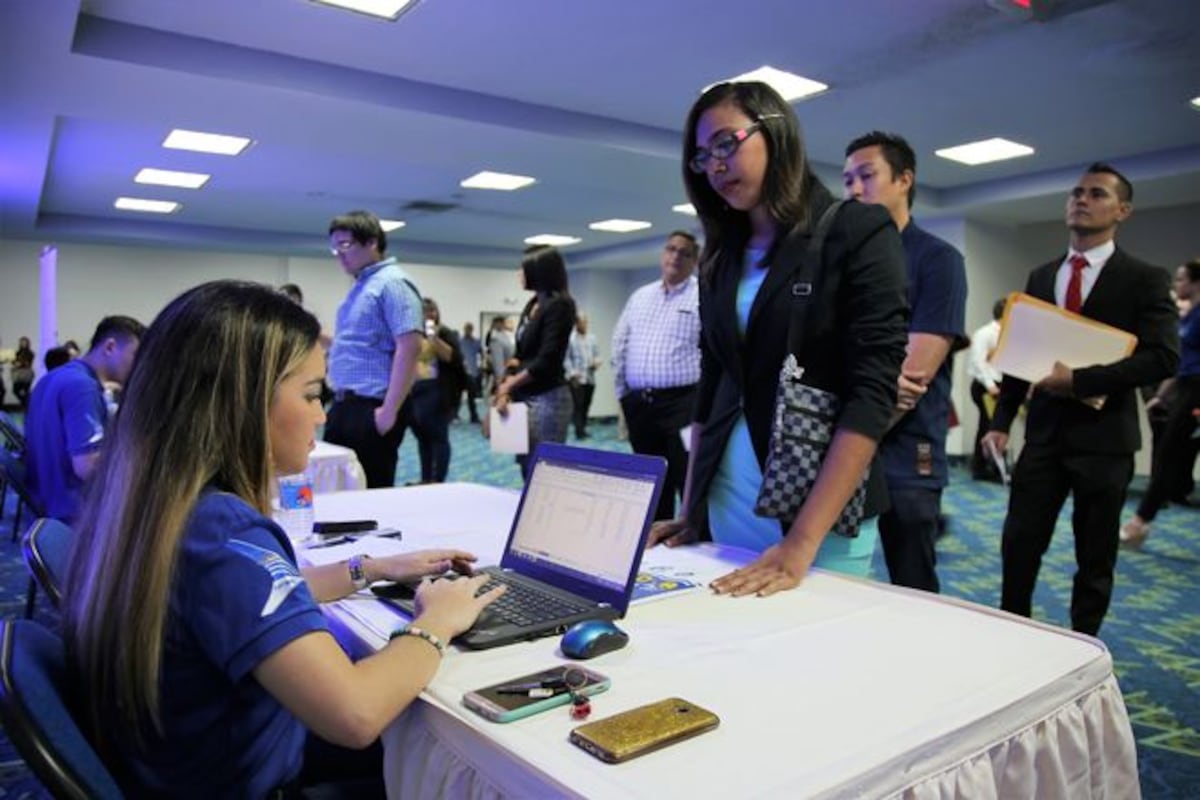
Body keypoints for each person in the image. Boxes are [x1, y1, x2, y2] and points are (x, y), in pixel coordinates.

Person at [61, 281, 503, 797]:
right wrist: (437, 622)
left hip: (189, 764)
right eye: (312, 394)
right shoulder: (224, 533)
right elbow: (355, 714)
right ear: (239, 401)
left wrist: (373, 569)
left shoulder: (156, 503)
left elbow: (236, 598)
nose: (322, 415)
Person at [650, 81, 909, 596]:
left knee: (813, 664)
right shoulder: (722, 255)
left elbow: (871, 395)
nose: (716, 164)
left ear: (777, 133)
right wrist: (691, 506)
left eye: (726, 143)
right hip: (726, 501)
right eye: (703, 156)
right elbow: (715, 380)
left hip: (817, 514)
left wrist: (802, 542)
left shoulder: (856, 229)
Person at [981, 163, 1178, 636]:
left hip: (1105, 441)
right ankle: (1012, 631)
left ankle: (1083, 645)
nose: (1081, 200)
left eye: (1096, 193)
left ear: (1122, 210)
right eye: (1076, 192)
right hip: (1045, 435)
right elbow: (1018, 354)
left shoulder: (1145, 278)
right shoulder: (1042, 275)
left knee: (1095, 555)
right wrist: (1002, 420)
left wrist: (1082, 381)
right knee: (1020, 541)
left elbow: (1163, 358)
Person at [843, 131, 968, 593]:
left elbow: (913, 374)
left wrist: (849, 421)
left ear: (904, 180)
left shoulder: (937, 260)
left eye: (867, 175)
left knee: (911, 582)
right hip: (844, 439)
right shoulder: (842, 262)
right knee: (833, 576)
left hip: (904, 446)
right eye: (847, 179)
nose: (855, 188)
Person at [324, 210, 423, 488]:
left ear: (372, 243)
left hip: (372, 406)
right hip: (345, 403)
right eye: (335, 248)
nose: (339, 255)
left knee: (370, 493)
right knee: (340, 490)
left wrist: (388, 411)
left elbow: (411, 346)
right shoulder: (363, 285)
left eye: (345, 245)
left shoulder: (392, 283)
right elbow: (359, 345)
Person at [612, 231, 703, 520]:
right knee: (648, 478)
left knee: (685, 473)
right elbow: (620, 343)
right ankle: (654, 535)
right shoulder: (640, 296)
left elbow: (715, 352)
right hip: (640, 405)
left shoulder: (703, 295)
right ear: (663, 254)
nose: (676, 256)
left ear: (694, 260)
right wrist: (623, 396)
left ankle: (690, 534)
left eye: (684, 252)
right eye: (671, 249)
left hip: (684, 405)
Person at [25, 316, 145, 522]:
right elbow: (88, 467)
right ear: (110, 347)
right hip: (75, 514)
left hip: (44, 504)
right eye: (136, 355)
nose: (140, 365)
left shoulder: (52, 378)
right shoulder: (82, 387)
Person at [1121, 258, 1200, 547]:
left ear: (1194, 282)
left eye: (1181, 279)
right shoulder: (1188, 316)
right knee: (1170, 456)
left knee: (1169, 456)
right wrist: (1160, 397)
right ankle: (1140, 523)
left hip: (1197, 392)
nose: (1176, 285)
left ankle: (1139, 523)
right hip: (1186, 388)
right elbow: (1181, 366)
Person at [493, 247, 576, 478]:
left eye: (524, 268)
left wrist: (509, 385)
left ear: (540, 272)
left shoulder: (560, 305)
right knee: (525, 462)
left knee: (543, 468)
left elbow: (546, 360)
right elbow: (522, 352)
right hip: (524, 394)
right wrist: (507, 380)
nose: (519, 272)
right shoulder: (533, 304)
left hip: (547, 398)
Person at [400, 298, 463, 483]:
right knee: (423, 439)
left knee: (438, 437)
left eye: (432, 310)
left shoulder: (445, 332)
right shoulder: (411, 333)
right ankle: (426, 479)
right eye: (425, 311)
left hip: (435, 390)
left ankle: (438, 480)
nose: (430, 314)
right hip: (413, 391)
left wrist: (433, 338)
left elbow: (453, 358)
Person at [968, 299, 1007, 481]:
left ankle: (993, 467)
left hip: (1001, 386)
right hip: (986, 387)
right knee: (988, 427)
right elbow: (978, 362)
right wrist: (990, 386)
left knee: (997, 426)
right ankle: (981, 467)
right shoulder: (985, 333)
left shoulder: (1008, 333)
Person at [564, 313, 601, 439]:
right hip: (577, 379)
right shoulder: (570, 339)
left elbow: (597, 354)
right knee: (578, 405)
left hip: (590, 377)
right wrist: (573, 373)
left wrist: (597, 362)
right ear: (576, 323)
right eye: (581, 322)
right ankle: (579, 431)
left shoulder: (592, 338)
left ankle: (583, 427)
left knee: (586, 404)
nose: (584, 324)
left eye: (586, 322)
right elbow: (566, 359)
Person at [459, 322, 483, 424]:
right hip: (460, 372)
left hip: (473, 372)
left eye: (470, 329)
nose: (468, 331)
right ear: (464, 329)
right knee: (457, 395)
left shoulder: (476, 342)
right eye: (467, 329)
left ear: (472, 330)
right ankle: (453, 415)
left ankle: (473, 416)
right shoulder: (459, 342)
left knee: (471, 396)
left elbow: (482, 354)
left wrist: (482, 365)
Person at [486, 316, 515, 397]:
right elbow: (498, 362)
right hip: (503, 375)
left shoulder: (506, 335)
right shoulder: (495, 338)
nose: (502, 325)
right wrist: (500, 381)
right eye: (499, 323)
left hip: (510, 373)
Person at [12, 336, 35, 406]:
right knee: (15, 390)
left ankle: (26, 404)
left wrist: (20, 363)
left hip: (27, 373)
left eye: (25, 342)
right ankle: (25, 403)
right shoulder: (17, 352)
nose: (23, 344)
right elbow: (13, 361)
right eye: (22, 342)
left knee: (26, 390)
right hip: (18, 373)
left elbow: (28, 363)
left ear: (28, 343)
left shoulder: (30, 353)